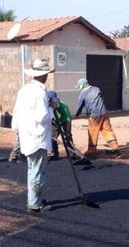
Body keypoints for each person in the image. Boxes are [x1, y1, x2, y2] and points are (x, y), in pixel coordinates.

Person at [12, 59, 55, 213]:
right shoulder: (40, 92)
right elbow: (42, 116)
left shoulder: (24, 90)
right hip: (38, 138)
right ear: (44, 75)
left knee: (32, 169)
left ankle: (33, 199)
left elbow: (16, 113)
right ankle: (35, 204)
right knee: (37, 170)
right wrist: (52, 108)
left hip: (26, 136)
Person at [74, 78, 120, 158]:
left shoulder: (83, 93)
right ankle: (115, 149)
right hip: (104, 112)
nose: (79, 88)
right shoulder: (96, 89)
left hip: (94, 115)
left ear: (82, 85)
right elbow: (102, 99)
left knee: (92, 132)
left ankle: (91, 152)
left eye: (79, 86)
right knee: (107, 130)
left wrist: (76, 115)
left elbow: (80, 107)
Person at [47, 90, 87, 162]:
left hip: (64, 122)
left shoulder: (63, 106)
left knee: (68, 137)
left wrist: (68, 132)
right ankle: (54, 154)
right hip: (53, 121)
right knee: (52, 138)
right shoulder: (46, 106)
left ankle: (73, 154)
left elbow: (68, 120)